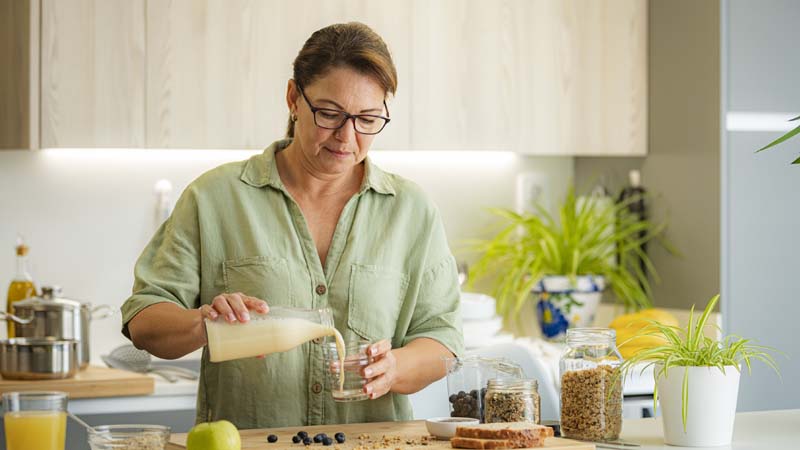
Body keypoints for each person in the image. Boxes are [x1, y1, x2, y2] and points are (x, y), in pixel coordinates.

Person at [120, 22, 463, 429]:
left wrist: (396, 367)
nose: (346, 136)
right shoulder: (213, 198)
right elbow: (144, 320)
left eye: (368, 119)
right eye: (329, 114)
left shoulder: (412, 211)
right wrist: (203, 322)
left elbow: (443, 338)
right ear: (293, 99)